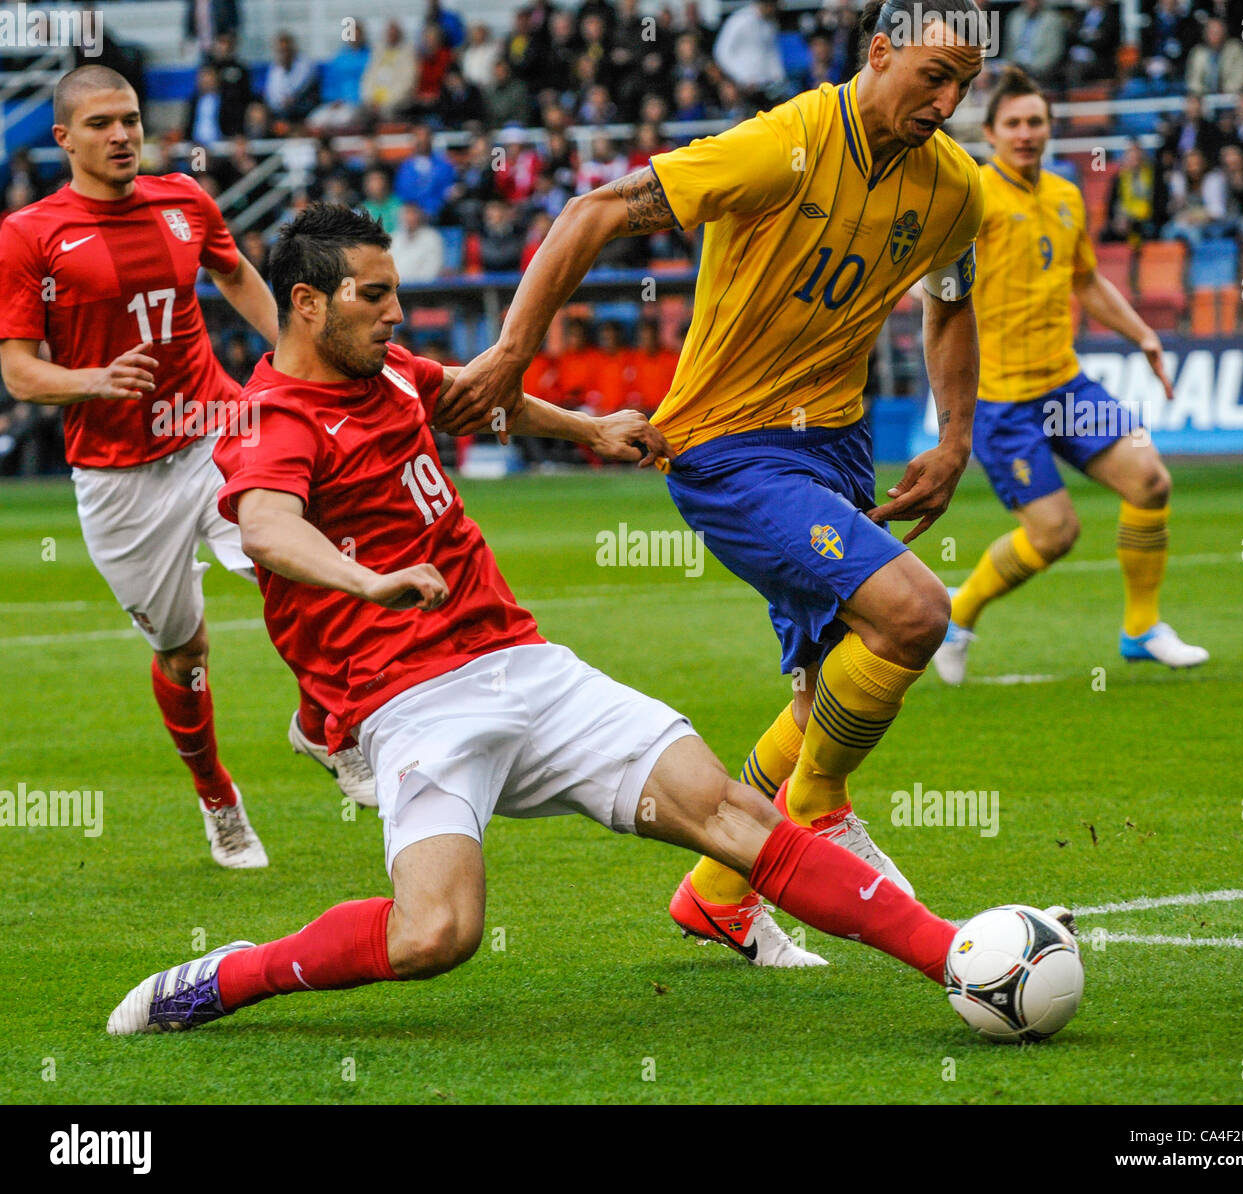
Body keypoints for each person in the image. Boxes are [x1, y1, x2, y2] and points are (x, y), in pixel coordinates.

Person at [106, 203, 1026, 1034]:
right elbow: (267, 525)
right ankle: (234, 977)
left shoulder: (390, 372)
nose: (397, 313)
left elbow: (475, 394)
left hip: (523, 661)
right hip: (410, 702)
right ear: (306, 303)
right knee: (436, 934)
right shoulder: (273, 418)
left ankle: (956, 959)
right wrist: (364, 580)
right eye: (375, 296)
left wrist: (589, 431)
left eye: (398, 294)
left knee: (728, 811)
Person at [437, 0, 987, 966]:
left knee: (826, 694)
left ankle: (722, 894)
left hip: (839, 447)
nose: (945, 102)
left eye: (965, 86)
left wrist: (953, 440)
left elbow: (950, 303)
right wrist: (512, 354)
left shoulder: (955, 193)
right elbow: (593, 210)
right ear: (880, 52)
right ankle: (816, 809)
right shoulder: (786, 146)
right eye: (932, 76)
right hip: (731, 449)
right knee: (911, 614)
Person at [0, 67, 374, 871]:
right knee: (184, 653)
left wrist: (301, 357)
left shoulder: (184, 201)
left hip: (216, 431)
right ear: (62, 138)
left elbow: (234, 272)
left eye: (130, 119)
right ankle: (218, 800)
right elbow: (20, 372)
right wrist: (91, 381)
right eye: (100, 123)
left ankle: (325, 723)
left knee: (302, 569)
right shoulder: (28, 235)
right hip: (118, 478)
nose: (122, 134)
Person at [933, 68, 1207, 687]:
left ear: (1050, 130)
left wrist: (1141, 335)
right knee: (1055, 534)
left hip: (1066, 385)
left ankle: (1141, 629)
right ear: (992, 133)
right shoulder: (972, 197)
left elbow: (1086, 279)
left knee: (1150, 482)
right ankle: (960, 613)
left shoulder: (1065, 194)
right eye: (1014, 124)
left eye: (1036, 122)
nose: (1026, 134)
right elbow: (937, 288)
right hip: (1003, 400)